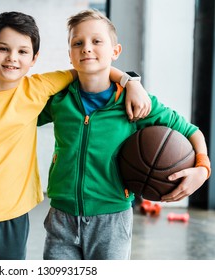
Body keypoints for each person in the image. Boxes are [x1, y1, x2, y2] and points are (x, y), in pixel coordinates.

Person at [0, 11, 150, 260]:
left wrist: (130, 81)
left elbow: (90, 69)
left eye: (22, 52)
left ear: (34, 58)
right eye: (3, 49)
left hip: (12, 220)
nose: (12, 58)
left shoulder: (38, 89)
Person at [34, 9, 211, 260]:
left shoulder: (136, 103)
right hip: (61, 217)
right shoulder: (60, 100)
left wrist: (202, 169)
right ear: (70, 55)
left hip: (112, 219)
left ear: (115, 51)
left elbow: (192, 132)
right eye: (78, 43)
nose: (86, 48)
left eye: (97, 41)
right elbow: (16, 114)